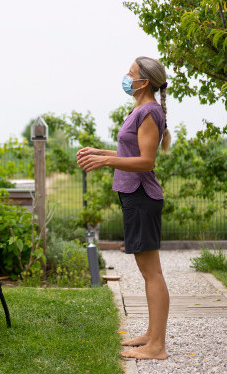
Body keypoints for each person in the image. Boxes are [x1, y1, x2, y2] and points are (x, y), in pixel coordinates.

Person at [76, 56, 171, 360]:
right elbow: (129, 151)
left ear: (145, 82)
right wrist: (100, 151)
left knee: (152, 272)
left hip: (143, 196)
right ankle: (151, 335)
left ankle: (157, 346)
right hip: (134, 196)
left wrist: (105, 161)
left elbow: (146, 161)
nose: (126, 78)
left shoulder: (149, 112)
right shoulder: (140, 109)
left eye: (131, 74)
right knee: (147, 271)